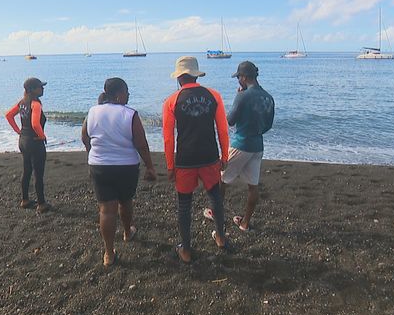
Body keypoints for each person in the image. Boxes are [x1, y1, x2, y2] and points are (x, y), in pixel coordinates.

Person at [82, 77, 156, 267]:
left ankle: (108, 253)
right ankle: (127, 232)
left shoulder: (93, 111)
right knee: (126, 201)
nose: (129, 94)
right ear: (118, 94)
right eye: (127, 91)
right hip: (126, 166)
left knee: (106, 210)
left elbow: (85, 136)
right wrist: (150, 166)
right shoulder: (130, 114)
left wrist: (92, 153)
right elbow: (141, 144)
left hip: (100, 166)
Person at [162, 56, 230, 264]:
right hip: (209, 156)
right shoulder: (214, 96)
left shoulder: (171, 101)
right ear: (195, 75)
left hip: (185, 159)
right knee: (215, 198)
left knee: (184, 205)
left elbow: (168, 137)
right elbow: (223, 129)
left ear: (179, 77)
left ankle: (187, 249)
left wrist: (170, 165)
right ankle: (220, 237)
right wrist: (224, 155)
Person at [204, 61, 274, 232]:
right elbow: (268, 125)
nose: (238, 81)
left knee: (221, 178)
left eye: (239, 77)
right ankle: (245, 223)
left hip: (241, 143)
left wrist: (238, 97)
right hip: (258, 145)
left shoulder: (243, 95)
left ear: (244, 77)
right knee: (253, 186)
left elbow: (230, 120)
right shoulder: (268, 97)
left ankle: (215, 212)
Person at [5, 77, 51, 214]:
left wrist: (18, 131)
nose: (43, 88)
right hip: (35, 143)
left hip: (23, 141)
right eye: (40, 87)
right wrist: (42, 136)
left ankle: (24, 200)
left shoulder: (22, 102)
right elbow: (35, 124)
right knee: (38, 173)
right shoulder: (35, 104)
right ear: (32, 89)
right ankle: (41, 204)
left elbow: (8, 115)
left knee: (27, 170)